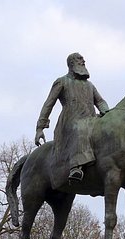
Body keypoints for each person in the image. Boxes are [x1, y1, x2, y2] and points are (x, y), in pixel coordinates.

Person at [35, 53, 110, 184]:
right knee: (80, 129)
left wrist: (107, 113)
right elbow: (49, 104)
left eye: (83, 59)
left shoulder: (89, 85)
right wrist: (40, 128)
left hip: (91, 120)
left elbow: (100, 102)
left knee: (109, 129)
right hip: (71, 122)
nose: (83, 61)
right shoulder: (62, 81)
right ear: (71, 64)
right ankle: (76, 167)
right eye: (80, 59)